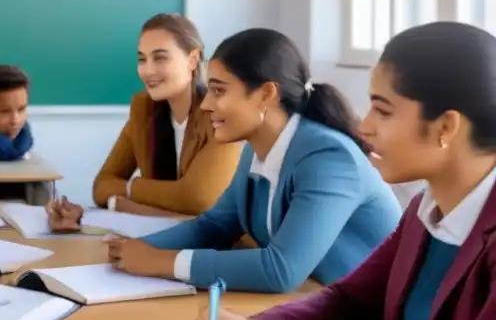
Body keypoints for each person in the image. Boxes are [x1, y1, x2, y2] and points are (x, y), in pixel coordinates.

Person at [190, 22, 496, 320]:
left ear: (446, 126)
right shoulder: (427, 209)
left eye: (383, 111)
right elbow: (350, 301)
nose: (364, 127)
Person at [90, 28, 401, 293]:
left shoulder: (328, 158)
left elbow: (281, 269)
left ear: (266, 94)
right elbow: (214, 226)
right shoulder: (256, 148)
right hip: (313, 301)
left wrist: (162, 262)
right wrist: (135, 248)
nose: (207, 105)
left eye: (218, 91)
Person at [47, 14, 242, 228]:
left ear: (193, 60)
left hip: (222, 250)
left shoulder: (219, 114)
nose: (147, 71)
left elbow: (197, 198)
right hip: (160, 239)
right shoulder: (143, 110)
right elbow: (101, 186)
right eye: (142, 59)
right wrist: (144, 205)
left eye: (160, 58)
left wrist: (128, 194)